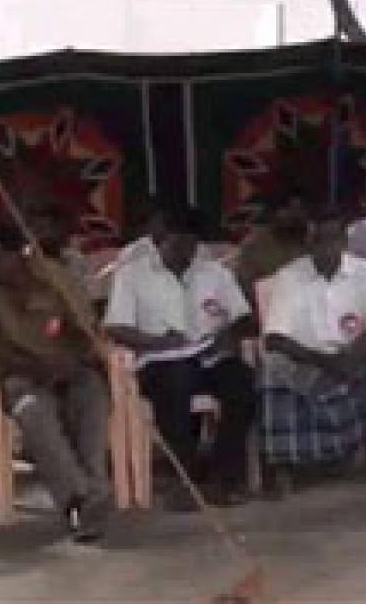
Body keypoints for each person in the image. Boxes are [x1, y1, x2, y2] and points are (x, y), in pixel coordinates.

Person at [0, 215, 111, 540]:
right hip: (21, 373)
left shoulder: (53, 277)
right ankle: (80, 500)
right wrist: (35, 369)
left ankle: (93, 494)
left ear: (16, 254)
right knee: (33, 412)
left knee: (92, 400)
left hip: (71, 366)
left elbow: (86, 329)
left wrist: (71, 360)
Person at [104, 206, 256, 509]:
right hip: (158, 360)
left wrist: (225, 337)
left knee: (242, 381)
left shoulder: (214, 272)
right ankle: (185, 476)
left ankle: (225, 475)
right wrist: (155, 342)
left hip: (207, 354)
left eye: (191, 245)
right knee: (177, 382)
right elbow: (117, 327)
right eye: (177, 245)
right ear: (161, 240)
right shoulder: (133, 275)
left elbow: (243, 319)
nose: (184, 252)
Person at [258, 208, 366, 487]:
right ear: (308, 243)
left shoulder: (364, 272)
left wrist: (351, 357)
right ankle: (282, 466)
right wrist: (323, 360)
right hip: (308, 362)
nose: (326, 248)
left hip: (355, 358)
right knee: (271, 367)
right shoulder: (288, 277)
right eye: (318, 240)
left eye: (332, 240)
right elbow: (275, 338)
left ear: (344, 242)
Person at [231, 189, 312, 304]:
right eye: (289, 209)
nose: (296, 215)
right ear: (273, 213)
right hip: (270, 311)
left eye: (300, 210)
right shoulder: (254, 245)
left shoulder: (315, 242)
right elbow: (248, 290)